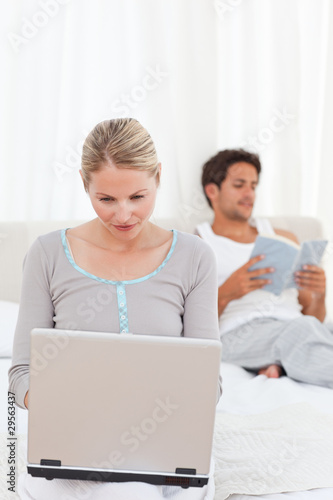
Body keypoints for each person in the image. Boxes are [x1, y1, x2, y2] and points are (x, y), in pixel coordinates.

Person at [9, 117, 222, 411]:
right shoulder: (47, 254)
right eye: (107, 199)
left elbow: (208, 379)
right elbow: (22, 374)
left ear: (158, 177)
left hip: (162, 433)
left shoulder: (195, 257)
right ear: (85, 182)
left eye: (137, 197)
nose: (123, 216)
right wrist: (58, 405)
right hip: (72, 430)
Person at [196, 148, 333, 388]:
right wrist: (228, 292)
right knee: (298, 332)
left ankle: (275, 363)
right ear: (212, 191)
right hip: (239, 334)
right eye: (240, 185)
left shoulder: (282, 237)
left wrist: (320, 294)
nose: (250, 194)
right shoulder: (199, 244)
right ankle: (277, 361)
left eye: (254, 185)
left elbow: (314, 318)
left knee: (306, 329)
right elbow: (193, 325)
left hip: (296, 327)